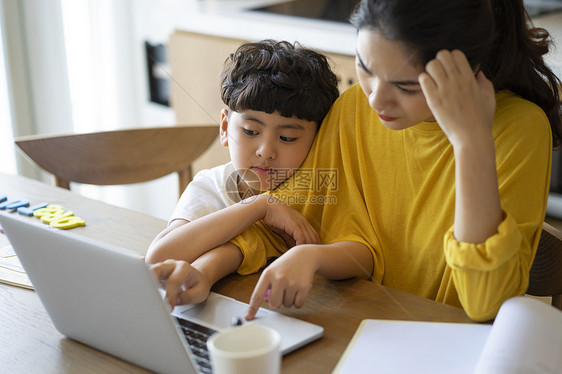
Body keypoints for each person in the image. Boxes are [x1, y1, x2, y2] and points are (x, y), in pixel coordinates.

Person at [152, 0, 561, 322]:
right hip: (357, 322)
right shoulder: (355, 107)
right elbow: (285, 224)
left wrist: (469, 140)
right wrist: (206, 269)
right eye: (366, 68)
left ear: (466, 70)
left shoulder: (516, 130)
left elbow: (483, 303)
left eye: (404, 86)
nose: (377, 101)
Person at [145, 39, 340, 302]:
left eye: (287, 138)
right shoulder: (210, 186)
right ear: (225, 128)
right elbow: (159, 257)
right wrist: (261, 206)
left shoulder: (318, 190)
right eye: (250, 132)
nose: (265, 151)